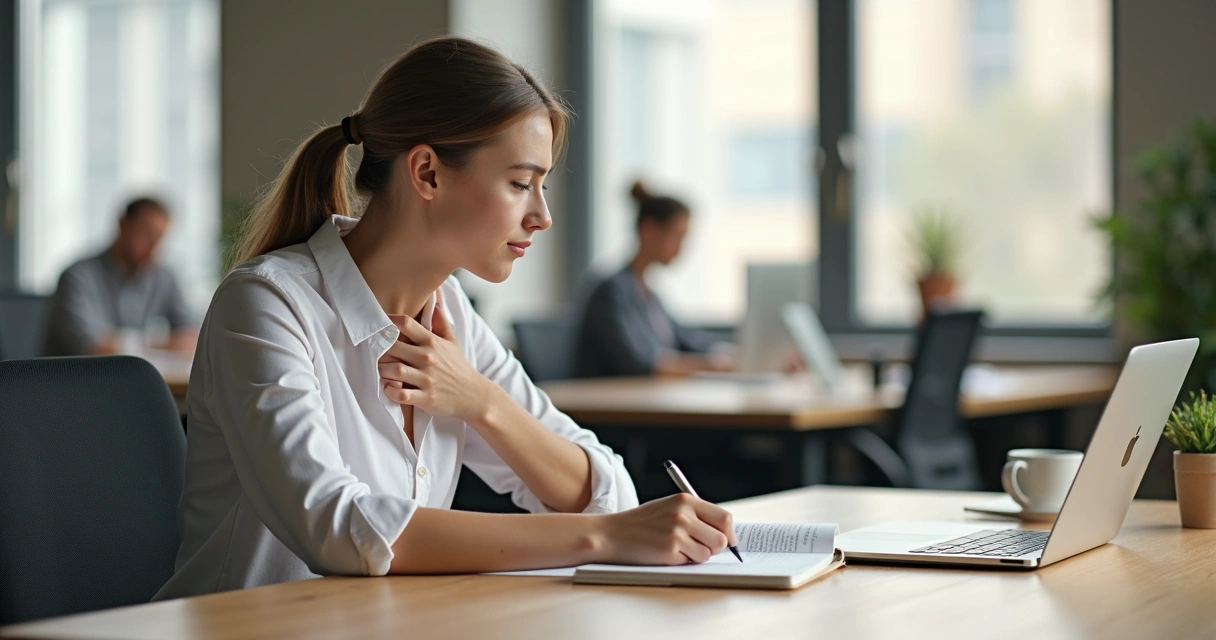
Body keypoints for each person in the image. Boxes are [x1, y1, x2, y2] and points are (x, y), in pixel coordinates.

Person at [155, 37, 736, 600]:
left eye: (544, 187)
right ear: (428, 173)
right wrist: (604, 538)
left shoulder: (449, 310)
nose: (543, 216)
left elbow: (605, 494)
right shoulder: (265, 304)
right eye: (520, 184)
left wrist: (482, 401)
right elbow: (338, 527)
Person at [576, 181, 734, 377]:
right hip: (613, 402)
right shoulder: (611, 292)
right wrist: (710, 365)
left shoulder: (650, 295)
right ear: (649, 230)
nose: (681, 248)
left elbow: (688, 339)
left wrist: (728, 354)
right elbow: (641, 362)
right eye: (678, 236)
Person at [44, 197, 197, 356]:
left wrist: (125, 342)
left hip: (133, 379)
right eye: (147, 235)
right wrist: (162, 343)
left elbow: (191, 337)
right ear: (123, 224)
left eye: (159, 239)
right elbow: (95, 347)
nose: (154, 247)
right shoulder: (78, 277)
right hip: (75, 379)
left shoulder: (164, 277)